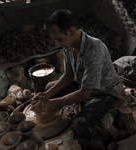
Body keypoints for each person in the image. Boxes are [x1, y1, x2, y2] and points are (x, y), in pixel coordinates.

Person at [32, 9, 125, 150]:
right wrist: (47, 95)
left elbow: (85, 93)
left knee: (80, 123)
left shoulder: (95, 49)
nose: (57, 43)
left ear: (71, 32)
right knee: (48, 87)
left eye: (59, 39)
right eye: (55, 40)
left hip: (105, 91)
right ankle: (64, 113)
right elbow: (69, 74)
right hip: (85, 84)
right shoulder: (69, 45)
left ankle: (99, 145)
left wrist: (51, 103)